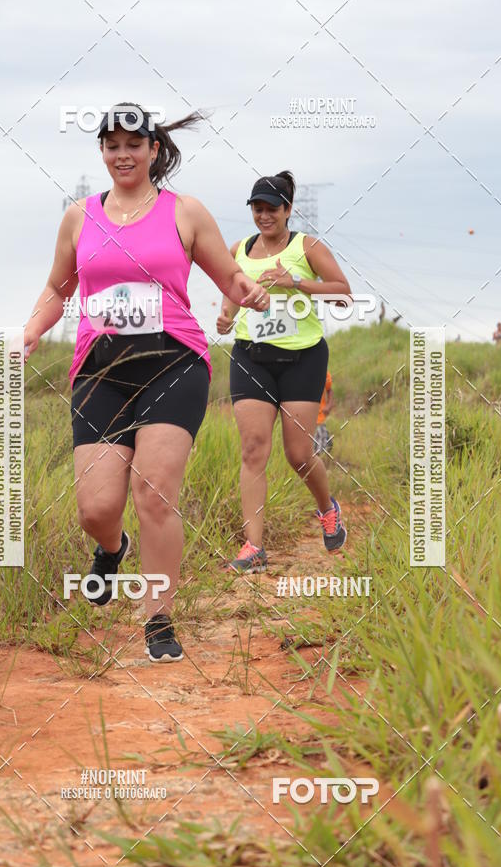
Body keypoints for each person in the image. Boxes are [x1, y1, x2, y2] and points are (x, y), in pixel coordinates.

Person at [23, 103, 269, 661]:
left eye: (134, 145)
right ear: (102, 153)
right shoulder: (79, 217)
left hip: (172, 362)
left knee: (154, 491)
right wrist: (32, 330)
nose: (122, 155)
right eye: (111, 146)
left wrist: (248, 290)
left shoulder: (186, 212)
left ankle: (158, 619)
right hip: (100, 370)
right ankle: (112, 548)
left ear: (154, 150)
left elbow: (229, 276)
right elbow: (59, 289)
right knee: (96, 507)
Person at [216, 171, 350, 573]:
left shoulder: (306, 247)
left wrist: (296, 283)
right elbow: (230, 296)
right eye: (257, 208)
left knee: (298, 453)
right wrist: (226, 318)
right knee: (254, 448)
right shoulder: (238, 249)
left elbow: (343, 292)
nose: (264, 215)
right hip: (251, 357)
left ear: (288, 210)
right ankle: (253, 548)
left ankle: (328, 510)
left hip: (302, 358)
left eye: (271, 208)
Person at [313, 370, 334, 455]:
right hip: (303, 418)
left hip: (319, 416)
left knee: (321, 445)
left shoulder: (323, 371)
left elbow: (329, 390)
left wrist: (329, 405)